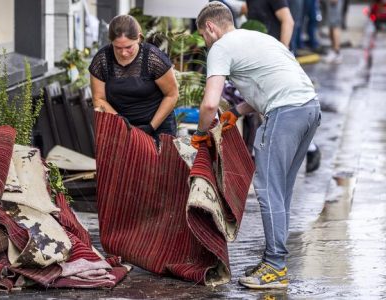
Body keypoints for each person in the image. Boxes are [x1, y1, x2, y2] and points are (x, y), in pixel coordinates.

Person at [191, 2, 321, 289]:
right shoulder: (261, 38)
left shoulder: (221, 47)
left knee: (267, 190)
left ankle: (275, 267)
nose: (205, 41)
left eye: (203, 35)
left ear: (211, 27)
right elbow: (274, 80)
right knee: (280, 191)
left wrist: (201, 133)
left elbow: (210, 103)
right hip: (309, 107)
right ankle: (273, 260)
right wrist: (237, 111)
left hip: (285, 113)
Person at [88, 15, 179, 137]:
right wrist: (119, 121)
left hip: (158, 126)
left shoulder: (154, 59)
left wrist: (151, 127)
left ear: (139, 38)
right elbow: (99, 99)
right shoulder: (101, 60)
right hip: (120, 128)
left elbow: (172, 95)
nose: (124, 53)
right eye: (118, 48)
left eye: (128, 47)